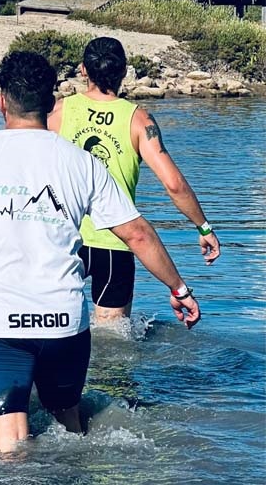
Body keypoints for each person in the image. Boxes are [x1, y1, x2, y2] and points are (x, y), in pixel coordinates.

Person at [0, 51, 200, 453]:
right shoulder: (82, 164)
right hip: (63, 324)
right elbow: (137, 234)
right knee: (69, 426)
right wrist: (179, 289)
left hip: (0, 329)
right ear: (50, 103)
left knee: (10, 451)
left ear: (1, 102)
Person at [48, 37, 219, 323]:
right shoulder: (139, 121)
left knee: (54, 332)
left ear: (82, 70)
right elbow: (173, 183)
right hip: (116, 241)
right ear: (124, 72)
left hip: (61, 238)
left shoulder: (56, 112)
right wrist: (203, 228)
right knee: (112, 347)